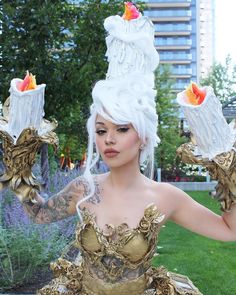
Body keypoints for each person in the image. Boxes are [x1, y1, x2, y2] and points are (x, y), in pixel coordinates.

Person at [12, 3, 236, 295]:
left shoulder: (166, 197)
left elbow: (229, 231)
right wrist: (17, 167)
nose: (109, 139)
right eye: (102, 130)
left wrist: (227, 173)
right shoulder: (84, 189)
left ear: (142, 136)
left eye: (122, 129)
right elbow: (38, 214)